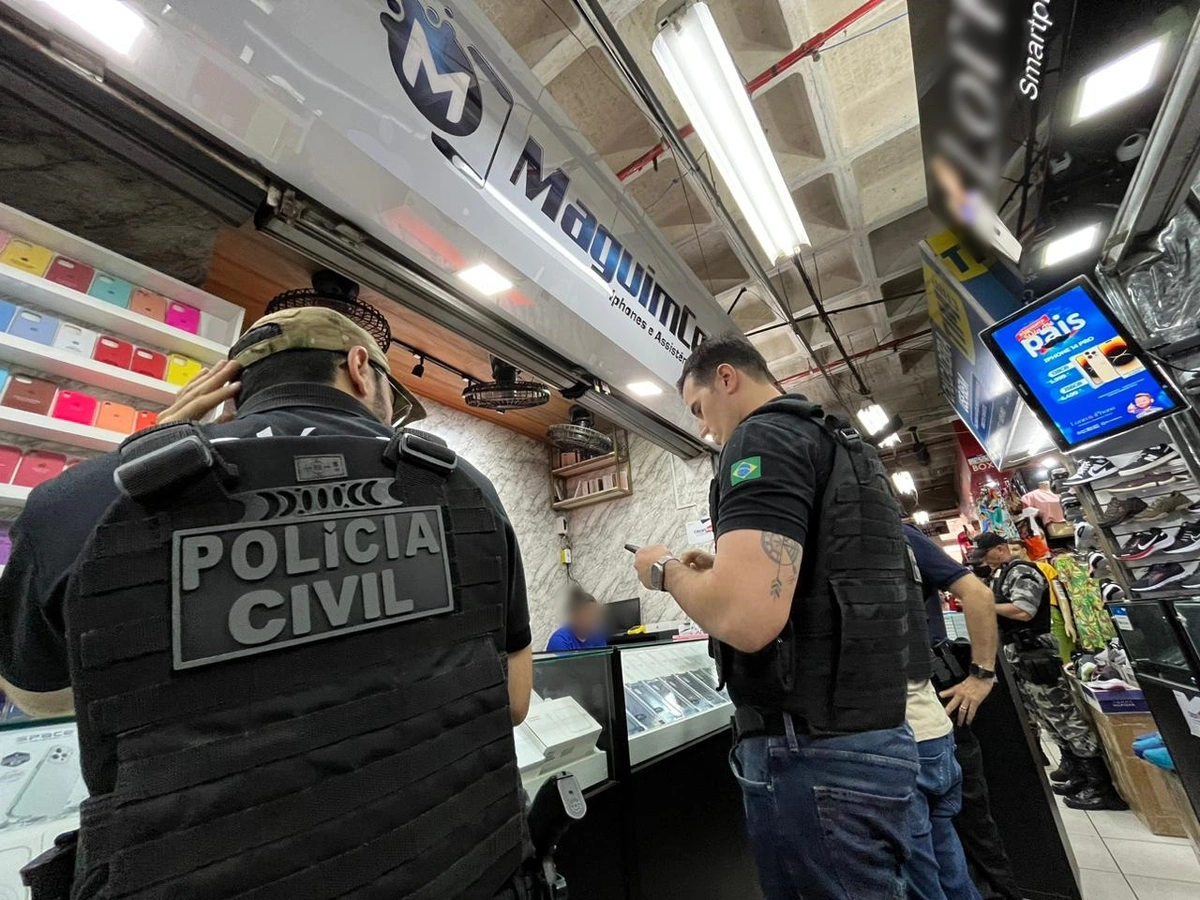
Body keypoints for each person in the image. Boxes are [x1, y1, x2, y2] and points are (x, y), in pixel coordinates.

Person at [0, 307, 537, 898]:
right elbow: (511, 702)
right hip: (463, 867)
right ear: (361, 368)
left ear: (232, 392)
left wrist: (133, 460)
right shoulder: (463, 487)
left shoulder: (90, 499)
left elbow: (36, 696)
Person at [632, 336, 919, 900]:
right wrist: (725, 569)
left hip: (811, 753)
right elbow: (827, 577)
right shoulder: (842, 446)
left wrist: (663, 569)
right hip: (875, 735)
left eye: (699, 408)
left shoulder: (761, 437)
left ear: (727, 378)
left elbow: (744, 618)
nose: (705, 430)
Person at [902, 512, 1021, 900]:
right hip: (907, 705)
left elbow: (978, 594)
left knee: (967, 815)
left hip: (936, 694)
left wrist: (982, 675)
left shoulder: (896, 534)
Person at [970, 533, 1127, 812]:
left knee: (1066, 717)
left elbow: (1023, 611)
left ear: (1000, 549)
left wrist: (982, 605)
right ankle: (1078, 774)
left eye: (985, 555)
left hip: (1036, 655)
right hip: (1020, 657)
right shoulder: (1000, 575)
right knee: (1048, 718)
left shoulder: (1021, 571)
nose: (982, 561)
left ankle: (1101, 786)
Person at [545, 586, 607, 651]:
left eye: (595, 615)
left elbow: (604, 660)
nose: (593, 620)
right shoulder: (560, 641)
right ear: (574, 616)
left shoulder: (597, 636)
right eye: (588, 615)